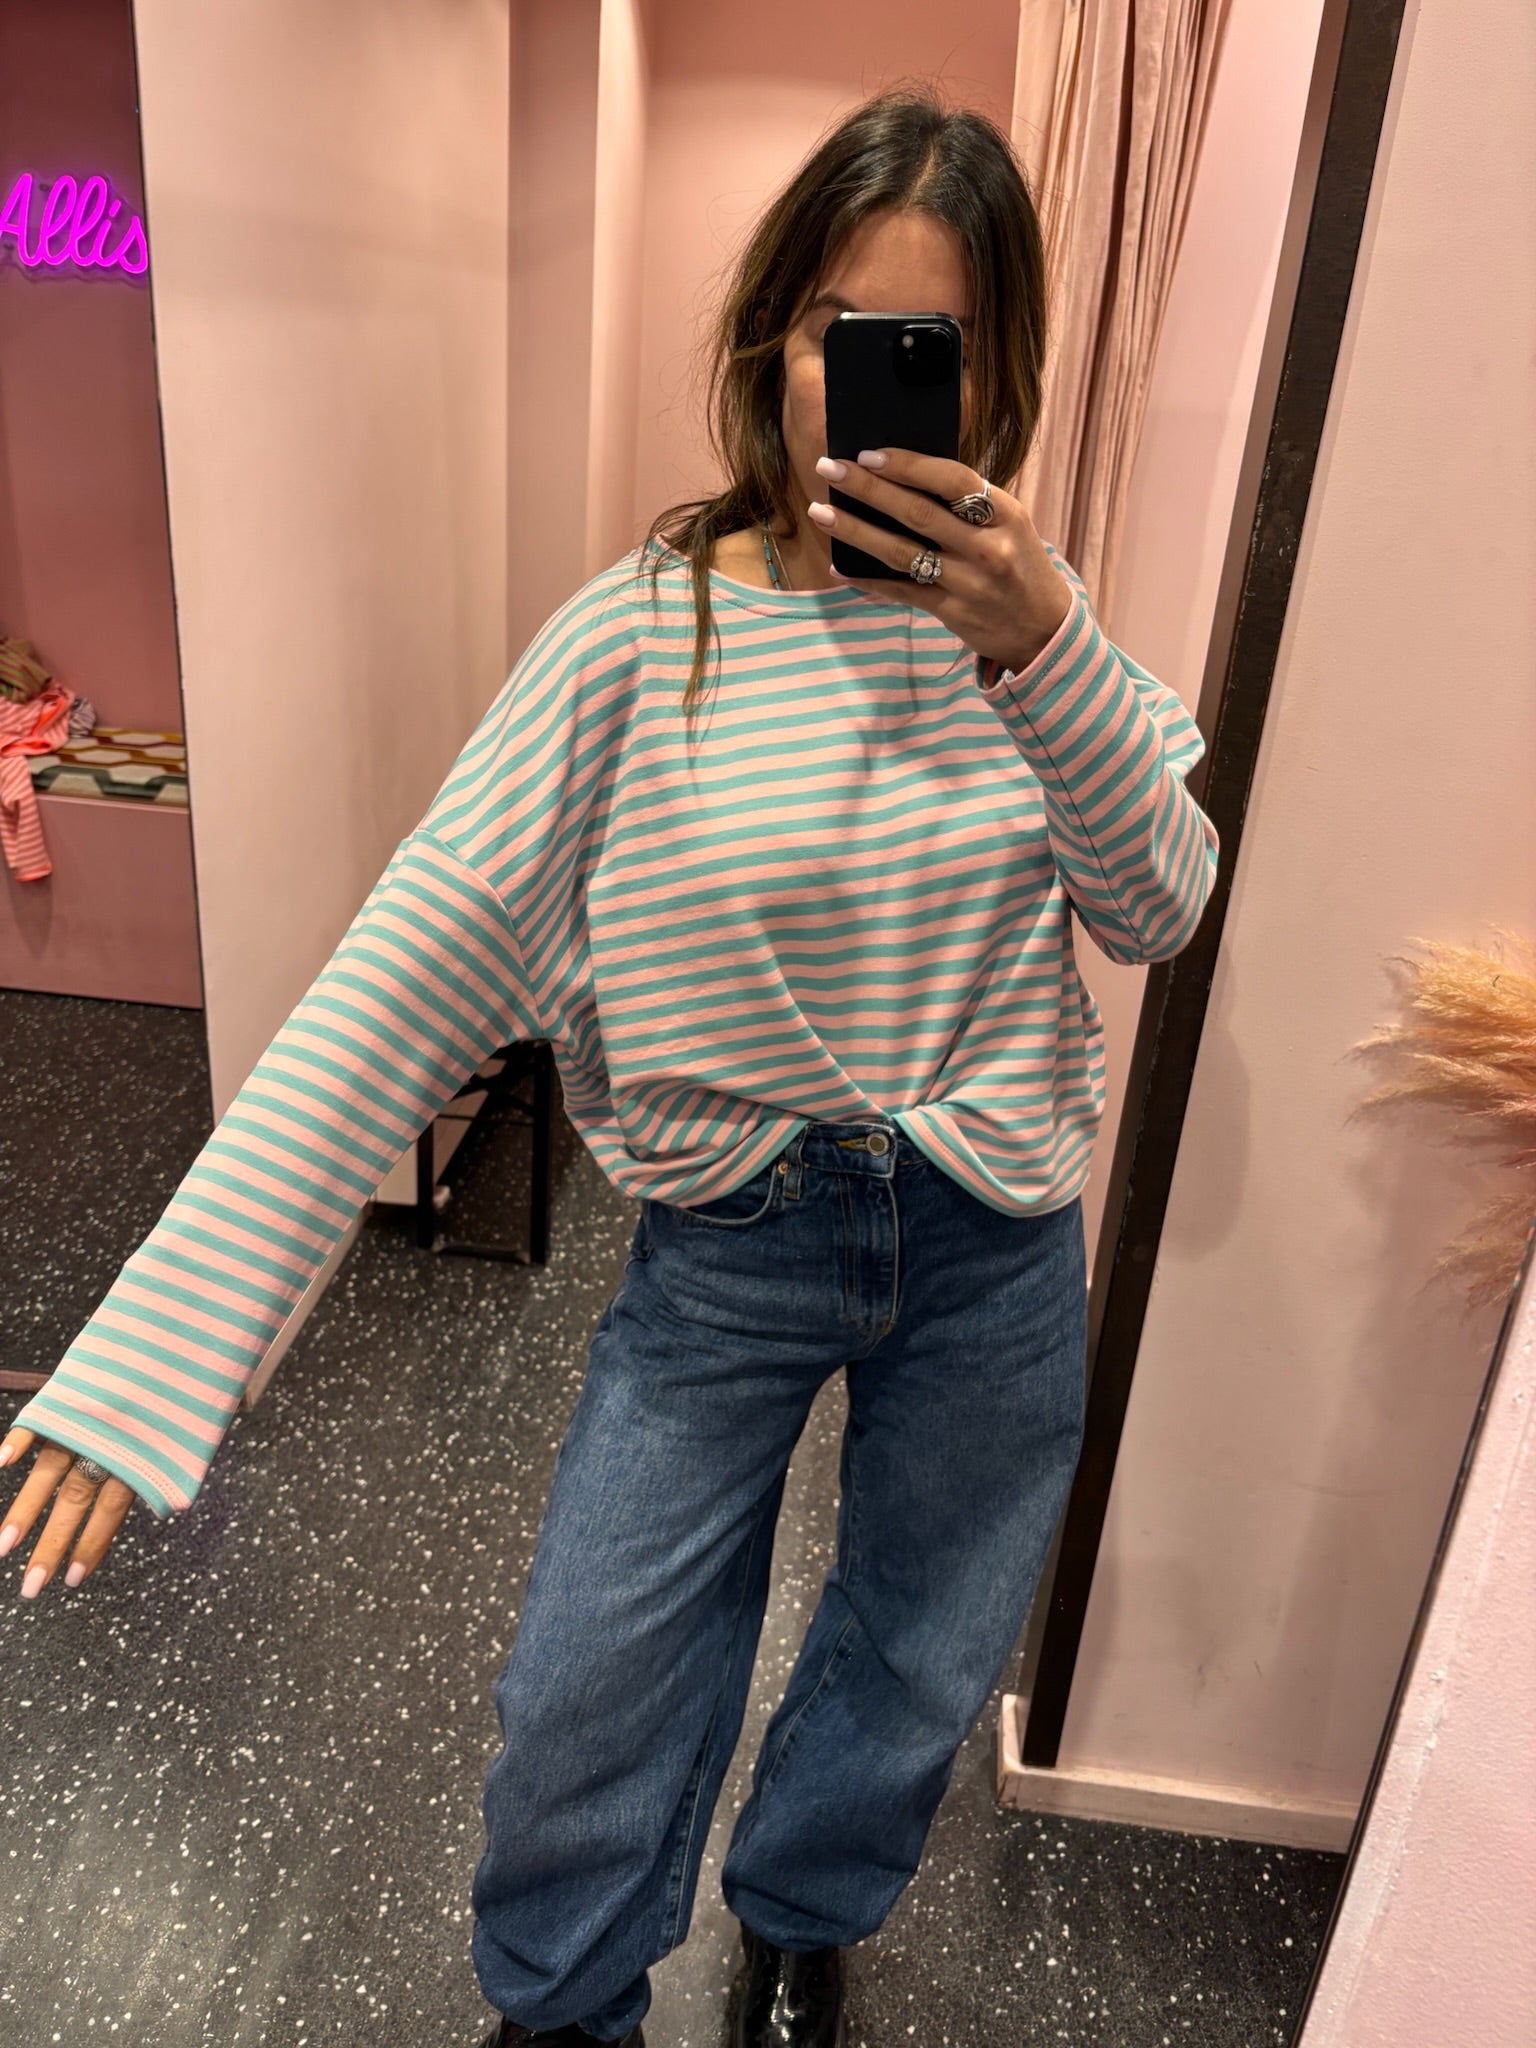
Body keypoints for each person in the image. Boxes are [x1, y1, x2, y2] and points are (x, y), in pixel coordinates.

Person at [0, 87, 1218, 2048]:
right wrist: (154, 1355)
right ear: (772, 339)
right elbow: (399, 975)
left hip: (992, 1237)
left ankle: (802, 1920)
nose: (865, 386)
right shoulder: (638, 643)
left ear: (996, 376)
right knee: (596, 1673)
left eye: (929, 342)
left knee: (921, 1646)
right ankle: (563, 2009)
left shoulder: (1038, 631)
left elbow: (1158, 903)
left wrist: (1049, 649)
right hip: (733, 1242)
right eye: (835, 327)